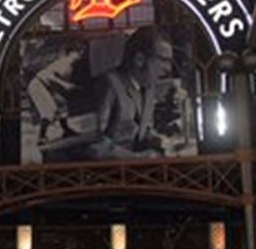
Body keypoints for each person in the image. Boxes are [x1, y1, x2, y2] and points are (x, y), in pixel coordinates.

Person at [89, 27, 171, 160]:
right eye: (162, 60)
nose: (168, 68)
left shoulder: (149, 89)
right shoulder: (108, 84)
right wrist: (135, 157)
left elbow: (142, 129)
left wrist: (158, 140)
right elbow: (93, 143)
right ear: (139, 59)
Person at [26, 44, 82, 144]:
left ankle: (66, 130)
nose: (80, 54)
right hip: (38, 84)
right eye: (77, 51)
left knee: (63, 105)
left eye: (81, 51)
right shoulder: (64, 63)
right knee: (49, 111)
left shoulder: (71, 66)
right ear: (70, 53)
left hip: (48, 87)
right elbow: (49, 76)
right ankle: (41, 138)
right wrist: (64, 84)